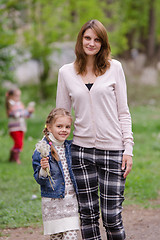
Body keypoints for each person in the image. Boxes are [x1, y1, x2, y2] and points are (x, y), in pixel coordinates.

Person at [56, 19, 134, 240]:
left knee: (112, 217)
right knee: (88, 216)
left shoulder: (114, 68)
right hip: (81, 152)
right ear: (81, 39)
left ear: (103, 43)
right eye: (88, 38)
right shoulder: (66, 72)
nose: (91, 43)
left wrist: (128, 148)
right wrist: (53, 146)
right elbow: (61, 115)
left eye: (97, 39)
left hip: (113, 151)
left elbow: (123, 112)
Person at [32, 108, 80, 240]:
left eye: (67, 127)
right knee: (56, 237)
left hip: (70, 200)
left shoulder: (70, 147)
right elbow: (39, 178)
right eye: (59, 126)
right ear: (49, 127)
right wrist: (43, 169)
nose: (64, 130)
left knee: (71, 236)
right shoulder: (42, 149)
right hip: (53, 203)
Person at [5, 88, 35, 164]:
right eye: (16, 96)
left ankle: (12, 157)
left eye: (19, 96)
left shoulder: (19, 104)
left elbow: (25, 115)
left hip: (21, 127)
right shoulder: (11, 104)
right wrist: (26, 112)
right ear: (11, 96)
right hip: (14, 128)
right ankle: (16, 159)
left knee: (19, 143)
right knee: (19, 143)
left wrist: (29, 113)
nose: (18, 98)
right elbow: (15, 114)